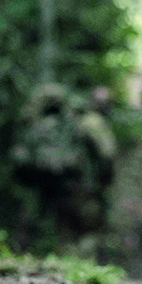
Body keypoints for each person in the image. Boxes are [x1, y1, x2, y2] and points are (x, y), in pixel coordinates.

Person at [13, 82, 118, 256]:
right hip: (72, 181)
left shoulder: (33, 123)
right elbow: (107, 154)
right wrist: (103, 182)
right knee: (80, 227)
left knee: (32, 222)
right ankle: (75, 262)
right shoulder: (84, 122)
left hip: (40, 179)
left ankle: (21, 255)